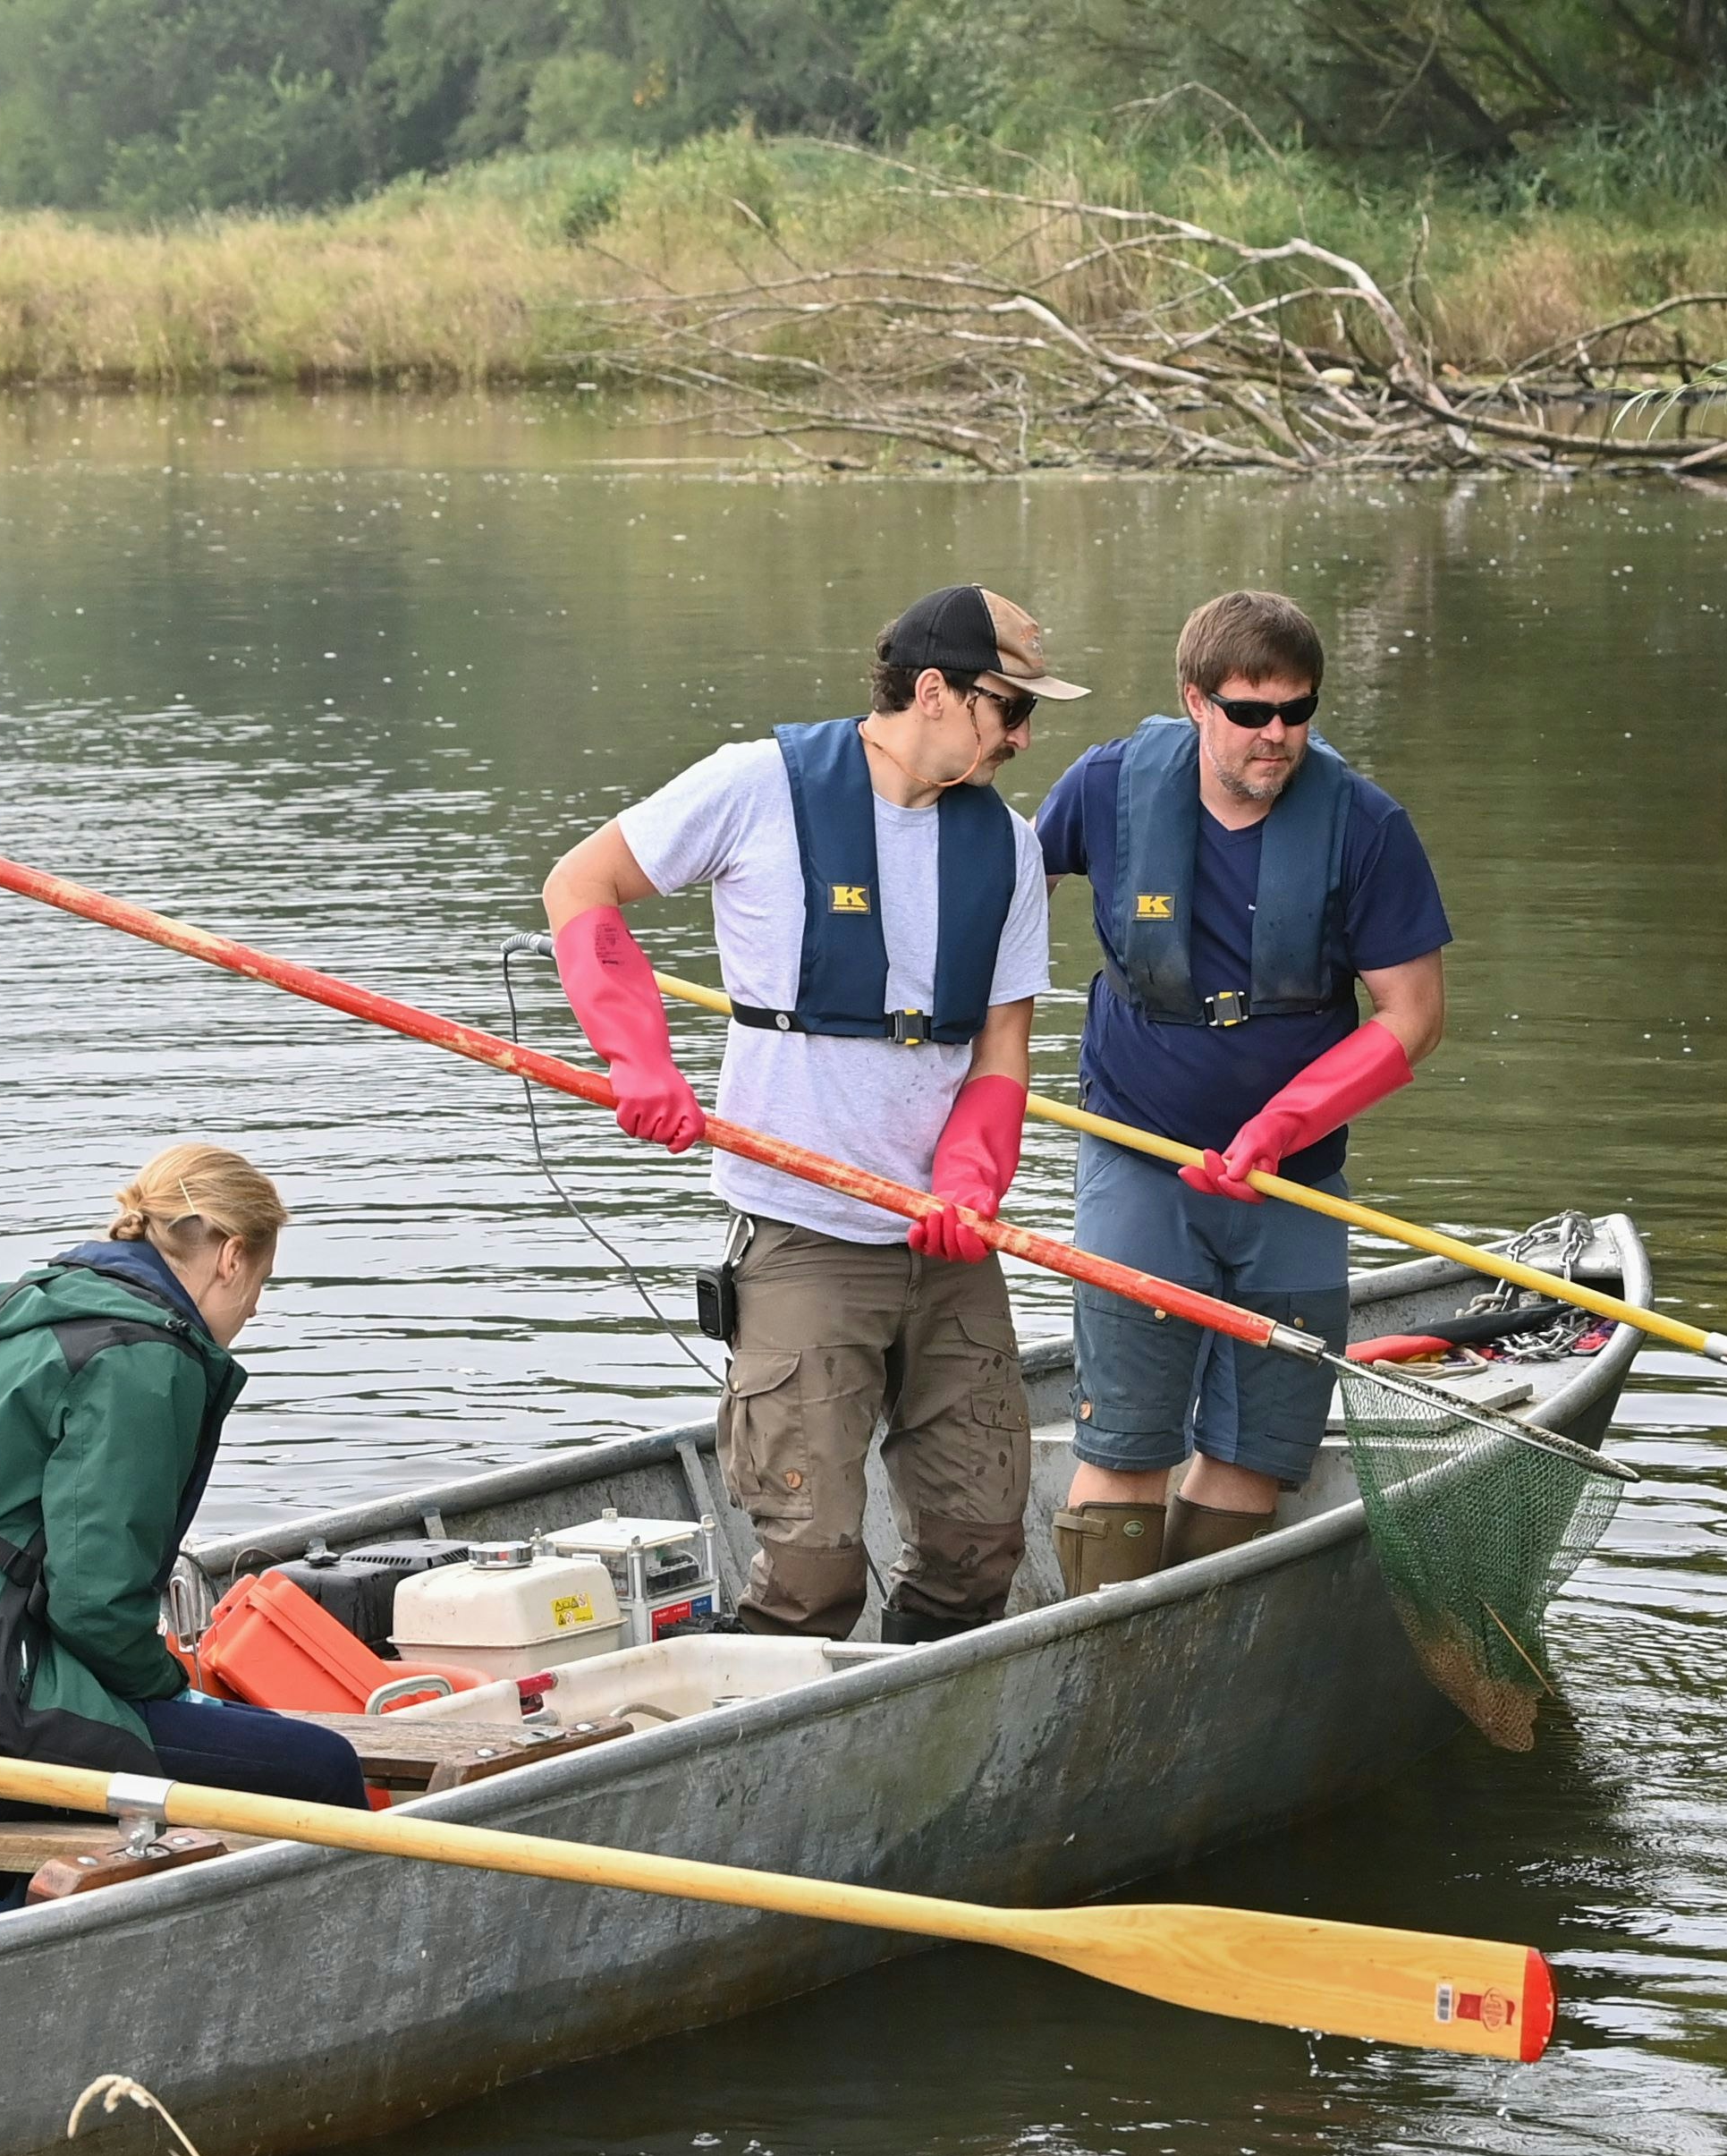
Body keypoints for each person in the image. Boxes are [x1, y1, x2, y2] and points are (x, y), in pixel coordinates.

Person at [537, 584, 1082, 1641]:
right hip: (802, 1233)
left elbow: (1001, 1044)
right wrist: (636, 1056)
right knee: (812, 1564)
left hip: (946, 1243)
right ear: (934, 690)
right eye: (1008, 707)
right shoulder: (754, 786)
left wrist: (971, 1178)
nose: (1021, 736)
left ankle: (919, 1712)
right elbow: (580, 886)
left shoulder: (1006, 846)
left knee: (981, 1547)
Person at [1030, 590, 1452, 1594]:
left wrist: (1282, 1125)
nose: (1277, 736)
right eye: (1250, 712)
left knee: (1257, 1451)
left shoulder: (1366, 825)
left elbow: (1413, 1014)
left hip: (1293, 1179)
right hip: (1140, 1155)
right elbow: (996, 910)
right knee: (1126, 1442)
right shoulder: (1103, 788)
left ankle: (1190, 1658)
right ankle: (1106, 1665)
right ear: (1193, 701)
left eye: (1296, 711)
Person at [0, 1144, 367, 1811]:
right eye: (262, 1282)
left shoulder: (25, 1320)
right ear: (231, 1257)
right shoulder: (143, 1357)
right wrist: (168, 1680)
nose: (255, 1309)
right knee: (319, 1764)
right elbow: (95, 1605)